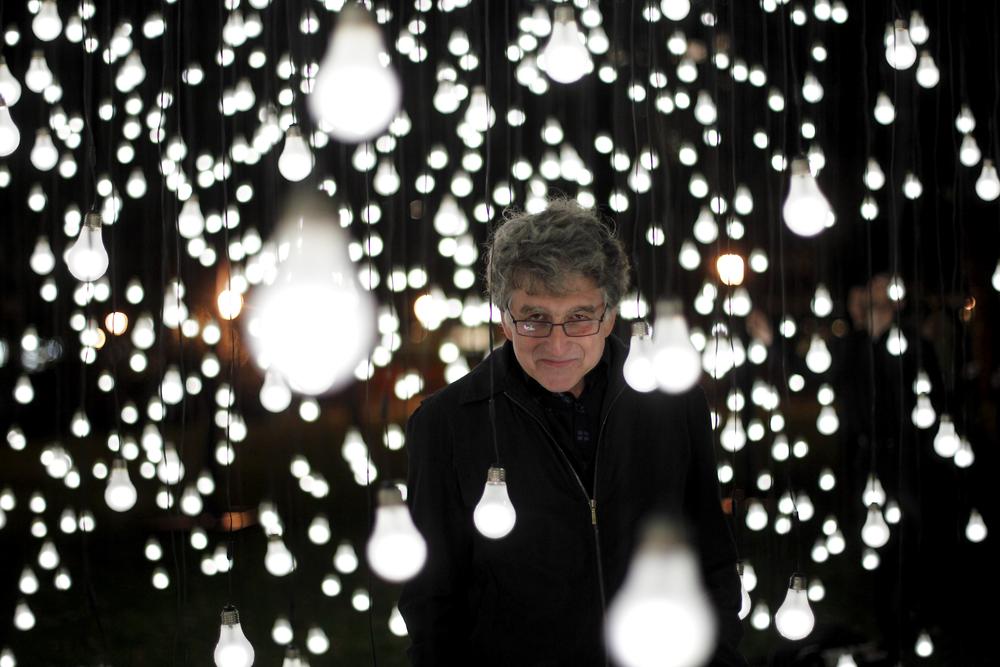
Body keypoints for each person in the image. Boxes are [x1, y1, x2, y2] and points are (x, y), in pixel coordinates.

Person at [398, 200, 745, 666]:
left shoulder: (673, 403)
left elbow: (713, 557)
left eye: (580, 317)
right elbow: (431, 602)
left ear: (609, 315)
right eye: (534, 318)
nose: (557, 344)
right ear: (504, 316)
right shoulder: (446, 423)